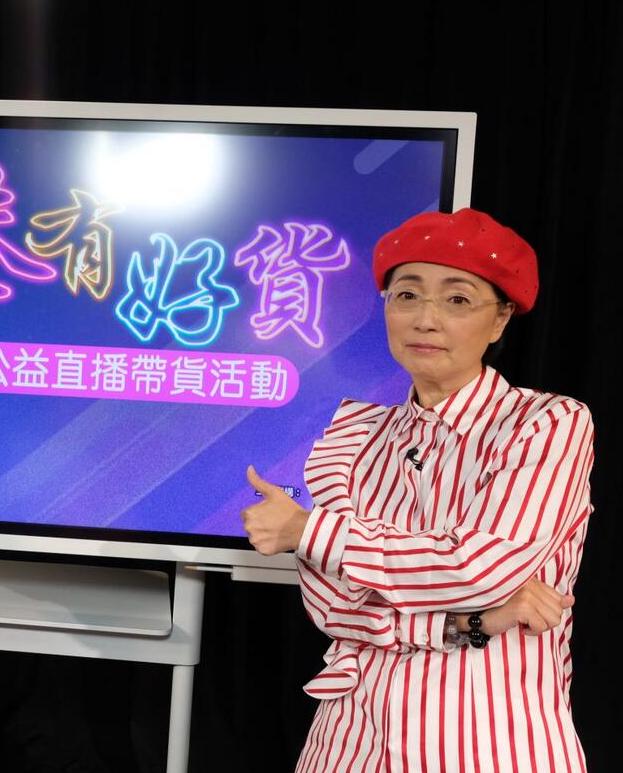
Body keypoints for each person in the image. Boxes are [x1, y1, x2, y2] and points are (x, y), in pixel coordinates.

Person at [241, 208, 593, 773]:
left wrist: (308, 531)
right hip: (349, 741)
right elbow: (333, 607)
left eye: (457, 300)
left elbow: (479, 568)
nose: (425, 319)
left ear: (501, 319)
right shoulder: (353, 432)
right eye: (406, 295)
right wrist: (472, 621)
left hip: (486, 741)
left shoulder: (547, 423)